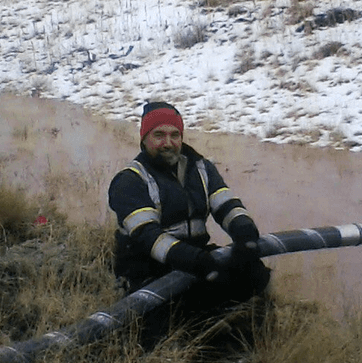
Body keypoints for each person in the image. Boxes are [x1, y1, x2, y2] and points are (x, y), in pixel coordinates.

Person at [108, 101, 271, 307]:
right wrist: (197, 261)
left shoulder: (201, 168)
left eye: (174, 135)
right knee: (189, 309)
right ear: (144, 139)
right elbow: (148, 237)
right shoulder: (130, 180)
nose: (168, 143)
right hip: (147, 271)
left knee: (255, 275)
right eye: (159, 135)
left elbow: (227, 205)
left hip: (195, 258)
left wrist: (245, 233)